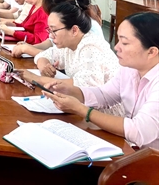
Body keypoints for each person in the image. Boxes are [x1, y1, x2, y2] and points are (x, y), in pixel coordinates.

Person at [44, 12, 159, 149]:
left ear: (151, 52)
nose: (116, 47)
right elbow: (105, 95)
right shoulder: (130, 69)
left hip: (152, 157)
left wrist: (82, 110)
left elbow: (138, 130)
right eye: (118, 40)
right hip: (132, 147)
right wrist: (70, 91)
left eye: (125, 43)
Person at [21, 1, 123, 116]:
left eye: (54, 31)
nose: (50, 35)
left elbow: (85, 88)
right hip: (84, 109)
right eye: (49, 30)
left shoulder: (91, 47)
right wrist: (45, 66)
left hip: (106, 114)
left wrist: (36, 79)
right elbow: (45, 55)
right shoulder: (69, 44)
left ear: (74, 30)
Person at [11, 0, 104, 58]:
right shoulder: (69, 23)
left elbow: (58, 57)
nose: (51, 34)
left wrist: (28, 49)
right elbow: (51, 43)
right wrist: (31, 47)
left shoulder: (86, 28)